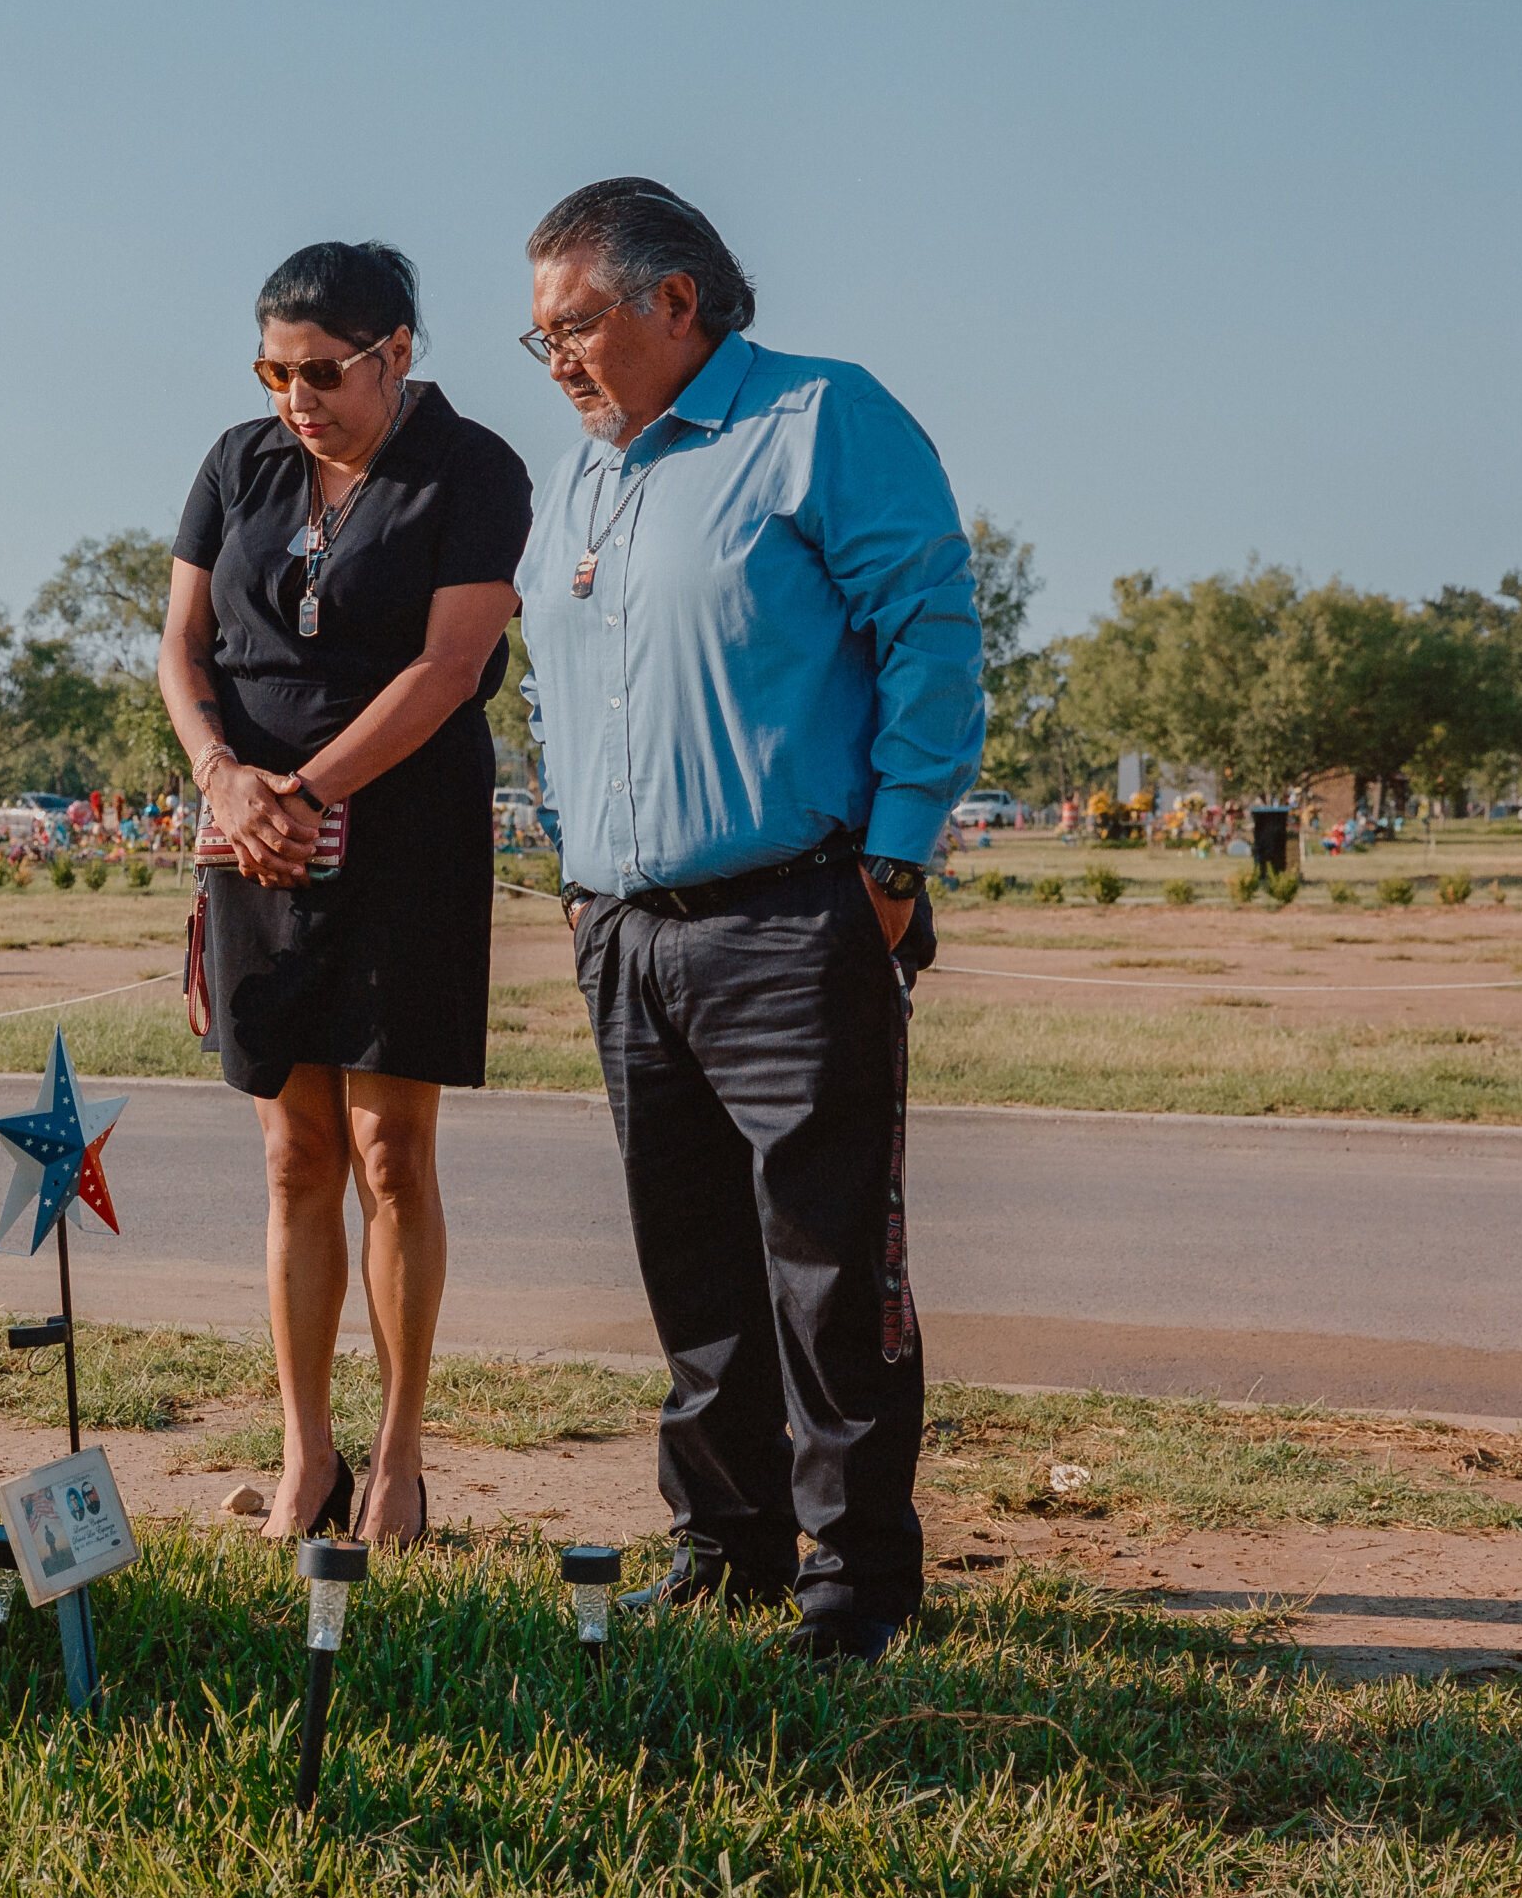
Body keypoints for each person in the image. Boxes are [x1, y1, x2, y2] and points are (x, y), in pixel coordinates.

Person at [514, 178, 984, 1663]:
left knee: (829, 1264)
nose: (561, 362)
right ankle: (730, 1544)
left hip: (797, 912)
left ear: (678, 301)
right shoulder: (590, 475)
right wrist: (582, 874)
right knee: (691, 1260)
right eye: (540, 341)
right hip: (628, 930)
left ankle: (857, 1583)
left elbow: (930, 632)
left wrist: (892, 865)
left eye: (576, 327)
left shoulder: (818, 423)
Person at [158, 240, 531, 1545]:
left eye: (322, 371)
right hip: (249, 837)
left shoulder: (474, 470)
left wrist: (305, 791)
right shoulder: (236, 462)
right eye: (273, 369)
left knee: (390, 1150)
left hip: (404, 836)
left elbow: (448, 667)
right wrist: (225, 781)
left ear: (398, 353)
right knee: (294, 1151)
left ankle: (397, 1464)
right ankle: (305, 1456)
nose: (294, 398)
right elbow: (181, 645)